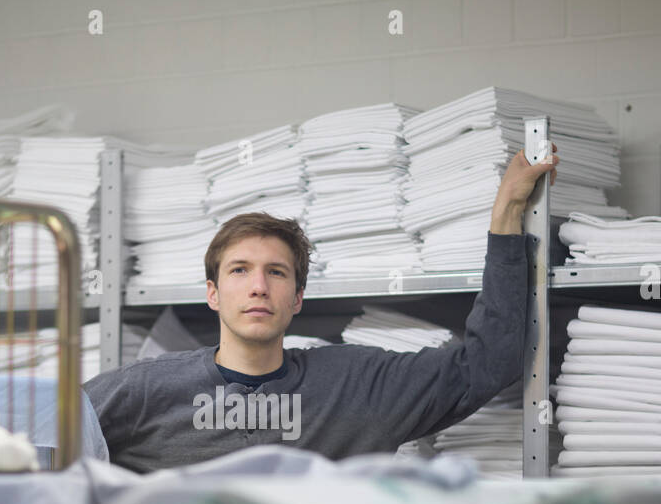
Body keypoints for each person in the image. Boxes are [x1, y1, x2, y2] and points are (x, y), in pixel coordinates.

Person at [84, 146, 558, 473]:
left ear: (297, 297)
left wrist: (506, 215)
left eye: (276, 272)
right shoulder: (146, 390)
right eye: (239, 271)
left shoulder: (359, 385)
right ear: (212, 294)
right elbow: (42, 442)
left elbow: (489, 360)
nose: (257, 287)